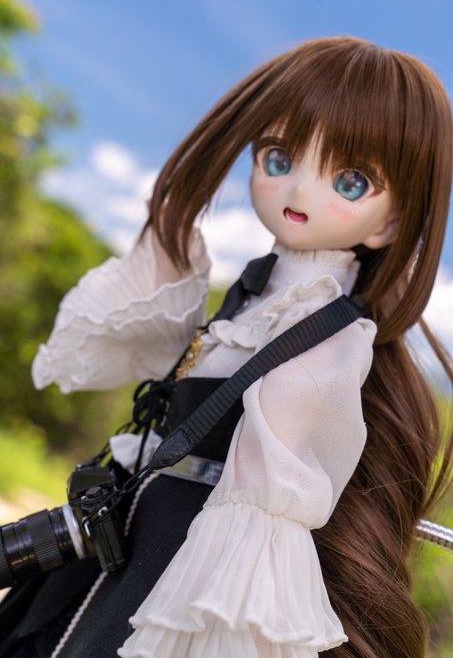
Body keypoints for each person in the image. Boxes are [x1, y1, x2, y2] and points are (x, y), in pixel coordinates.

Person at [0, 36, 452, 658]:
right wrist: (172, 221)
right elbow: (147, 352)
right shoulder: (253, 294)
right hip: (126, 540)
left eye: (351, 181)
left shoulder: (328, 335)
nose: (299, 191)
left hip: (186, 564)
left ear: (393, 222)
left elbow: (266, 507)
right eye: (278, 157)